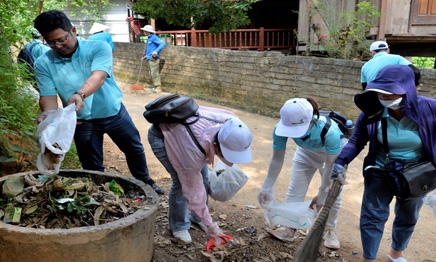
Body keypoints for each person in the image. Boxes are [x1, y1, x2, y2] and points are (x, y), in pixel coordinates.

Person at [33, 10, 164, 195]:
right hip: (81, 121)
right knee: (92, 165)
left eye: (62, 39)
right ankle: (102, 195)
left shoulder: (98, 48)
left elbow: (99, 76)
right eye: (51, 42)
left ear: (73, 30)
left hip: (114, 113)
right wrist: (49, 116)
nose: (58, 45)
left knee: (134, 149)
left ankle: (144, 182)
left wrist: (80, 94)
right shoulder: (43, 63)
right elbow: (47, 97)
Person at [331, 64, 436, 261]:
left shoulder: (430, 109)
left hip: (416, 174)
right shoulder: (372, 111)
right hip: (380, 171)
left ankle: (396, 253)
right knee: (372, 218)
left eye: (391, 94)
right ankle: (368, 258)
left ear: (409, 90)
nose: (385, 99)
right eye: (381, 94)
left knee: (408, 217)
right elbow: (356, 141)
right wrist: (341, 161)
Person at [148, 108, 253, 244]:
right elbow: (192, 189)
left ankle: (197, 218)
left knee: (203, 178)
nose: (232, 161)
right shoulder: (193, 156)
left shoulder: (234, 125)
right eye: (229, 155)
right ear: (215, 145)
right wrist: (211, 225)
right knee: (181, 183)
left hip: (186, 136)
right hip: (163, 135)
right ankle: (178, 226)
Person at [258, 97, 347, 249]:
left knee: (333, 194)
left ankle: (329, 230)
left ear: (311, 119)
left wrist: (322, 194)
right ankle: (290, 227)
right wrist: (267, 186)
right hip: (305, 153)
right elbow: (277, 159)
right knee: (295, 190)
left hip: (332, 154)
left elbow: (329, 167)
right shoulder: (279, 128)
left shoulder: (329, 131)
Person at [140, 25, 166, 93]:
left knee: (154, 73)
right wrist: (146, 56)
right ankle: (155, 87)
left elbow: (163, 43)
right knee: (151, 73)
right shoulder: (149, 38)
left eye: (145, 30)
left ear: (148, 31)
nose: (144, 31)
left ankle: (158, 88)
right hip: (150, 58)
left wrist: (156, 51)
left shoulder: (154, 37)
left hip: (154, 58)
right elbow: (150, 49)